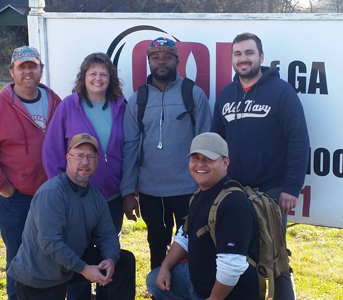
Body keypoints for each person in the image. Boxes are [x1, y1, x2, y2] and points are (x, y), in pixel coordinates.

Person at [211, 32, 310, 300]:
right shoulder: (225, 95)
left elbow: (299, 141)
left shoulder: (281, 92)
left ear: (261, 57)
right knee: (238, 255)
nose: (243, 59)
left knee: (274, 256)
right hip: (234, 191)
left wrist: (291, 187)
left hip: (272, 191)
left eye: (249, 53)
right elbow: (215, 145)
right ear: (232, 59)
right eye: (238, 54)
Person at [0, 46, 61, 300]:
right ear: (12, 72)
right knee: (18, 253)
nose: (28, 71)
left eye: (33, 66)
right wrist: (4, 186)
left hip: (50, 194)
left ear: (41, 70)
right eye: (22, 67)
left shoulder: (54, 101)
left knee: (49, 249)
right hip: (15, 196)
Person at [120, 37, 212, 272]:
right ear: (149, 61)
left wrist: (207, 188)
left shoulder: (193, 94)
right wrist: (128, 191)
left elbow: (206, 145)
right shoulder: (138, 99)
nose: (162, 62)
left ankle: (190, 291)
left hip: (189, 190)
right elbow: (130, 147)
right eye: (155, 57)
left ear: (177, 61)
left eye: (168, 57)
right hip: (151, 192)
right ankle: (159, 292)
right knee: (157, 246)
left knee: (194, 247)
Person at [7, 133, 135, 300]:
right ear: (68, 158)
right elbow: (50, 243)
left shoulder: (96, 197)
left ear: (97, 160)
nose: (85, 162)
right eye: (79, 156)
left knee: (123, 261)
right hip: (39, 277)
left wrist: (111, 259)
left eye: (90, 157)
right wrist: (84, 269)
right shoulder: (52, 193)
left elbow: (107, 235)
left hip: (67, 267)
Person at [42, 52, 126, 299]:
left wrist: (129, 188)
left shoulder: (121, 106)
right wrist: (63, 191)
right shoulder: (69, 105)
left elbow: (129, 148)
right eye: (93, 74)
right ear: (83, 77)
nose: (98, 79)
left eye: (103, 74)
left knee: (107, 251)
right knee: (78, 251)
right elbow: (53, 150)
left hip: (112, 197)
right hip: (76, 196)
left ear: (110, 78)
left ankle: (104, 293)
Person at [146, 132, 259, 300]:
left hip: (227, 294)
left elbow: (231, 266)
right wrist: (165, 267)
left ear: (225, 162)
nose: (200, 164)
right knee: (154, 279)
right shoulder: (200, 194)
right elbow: (184, 236)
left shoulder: (233, 204)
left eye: (208, 158)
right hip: (197, 283)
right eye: (195, 157)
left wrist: (213, 298)